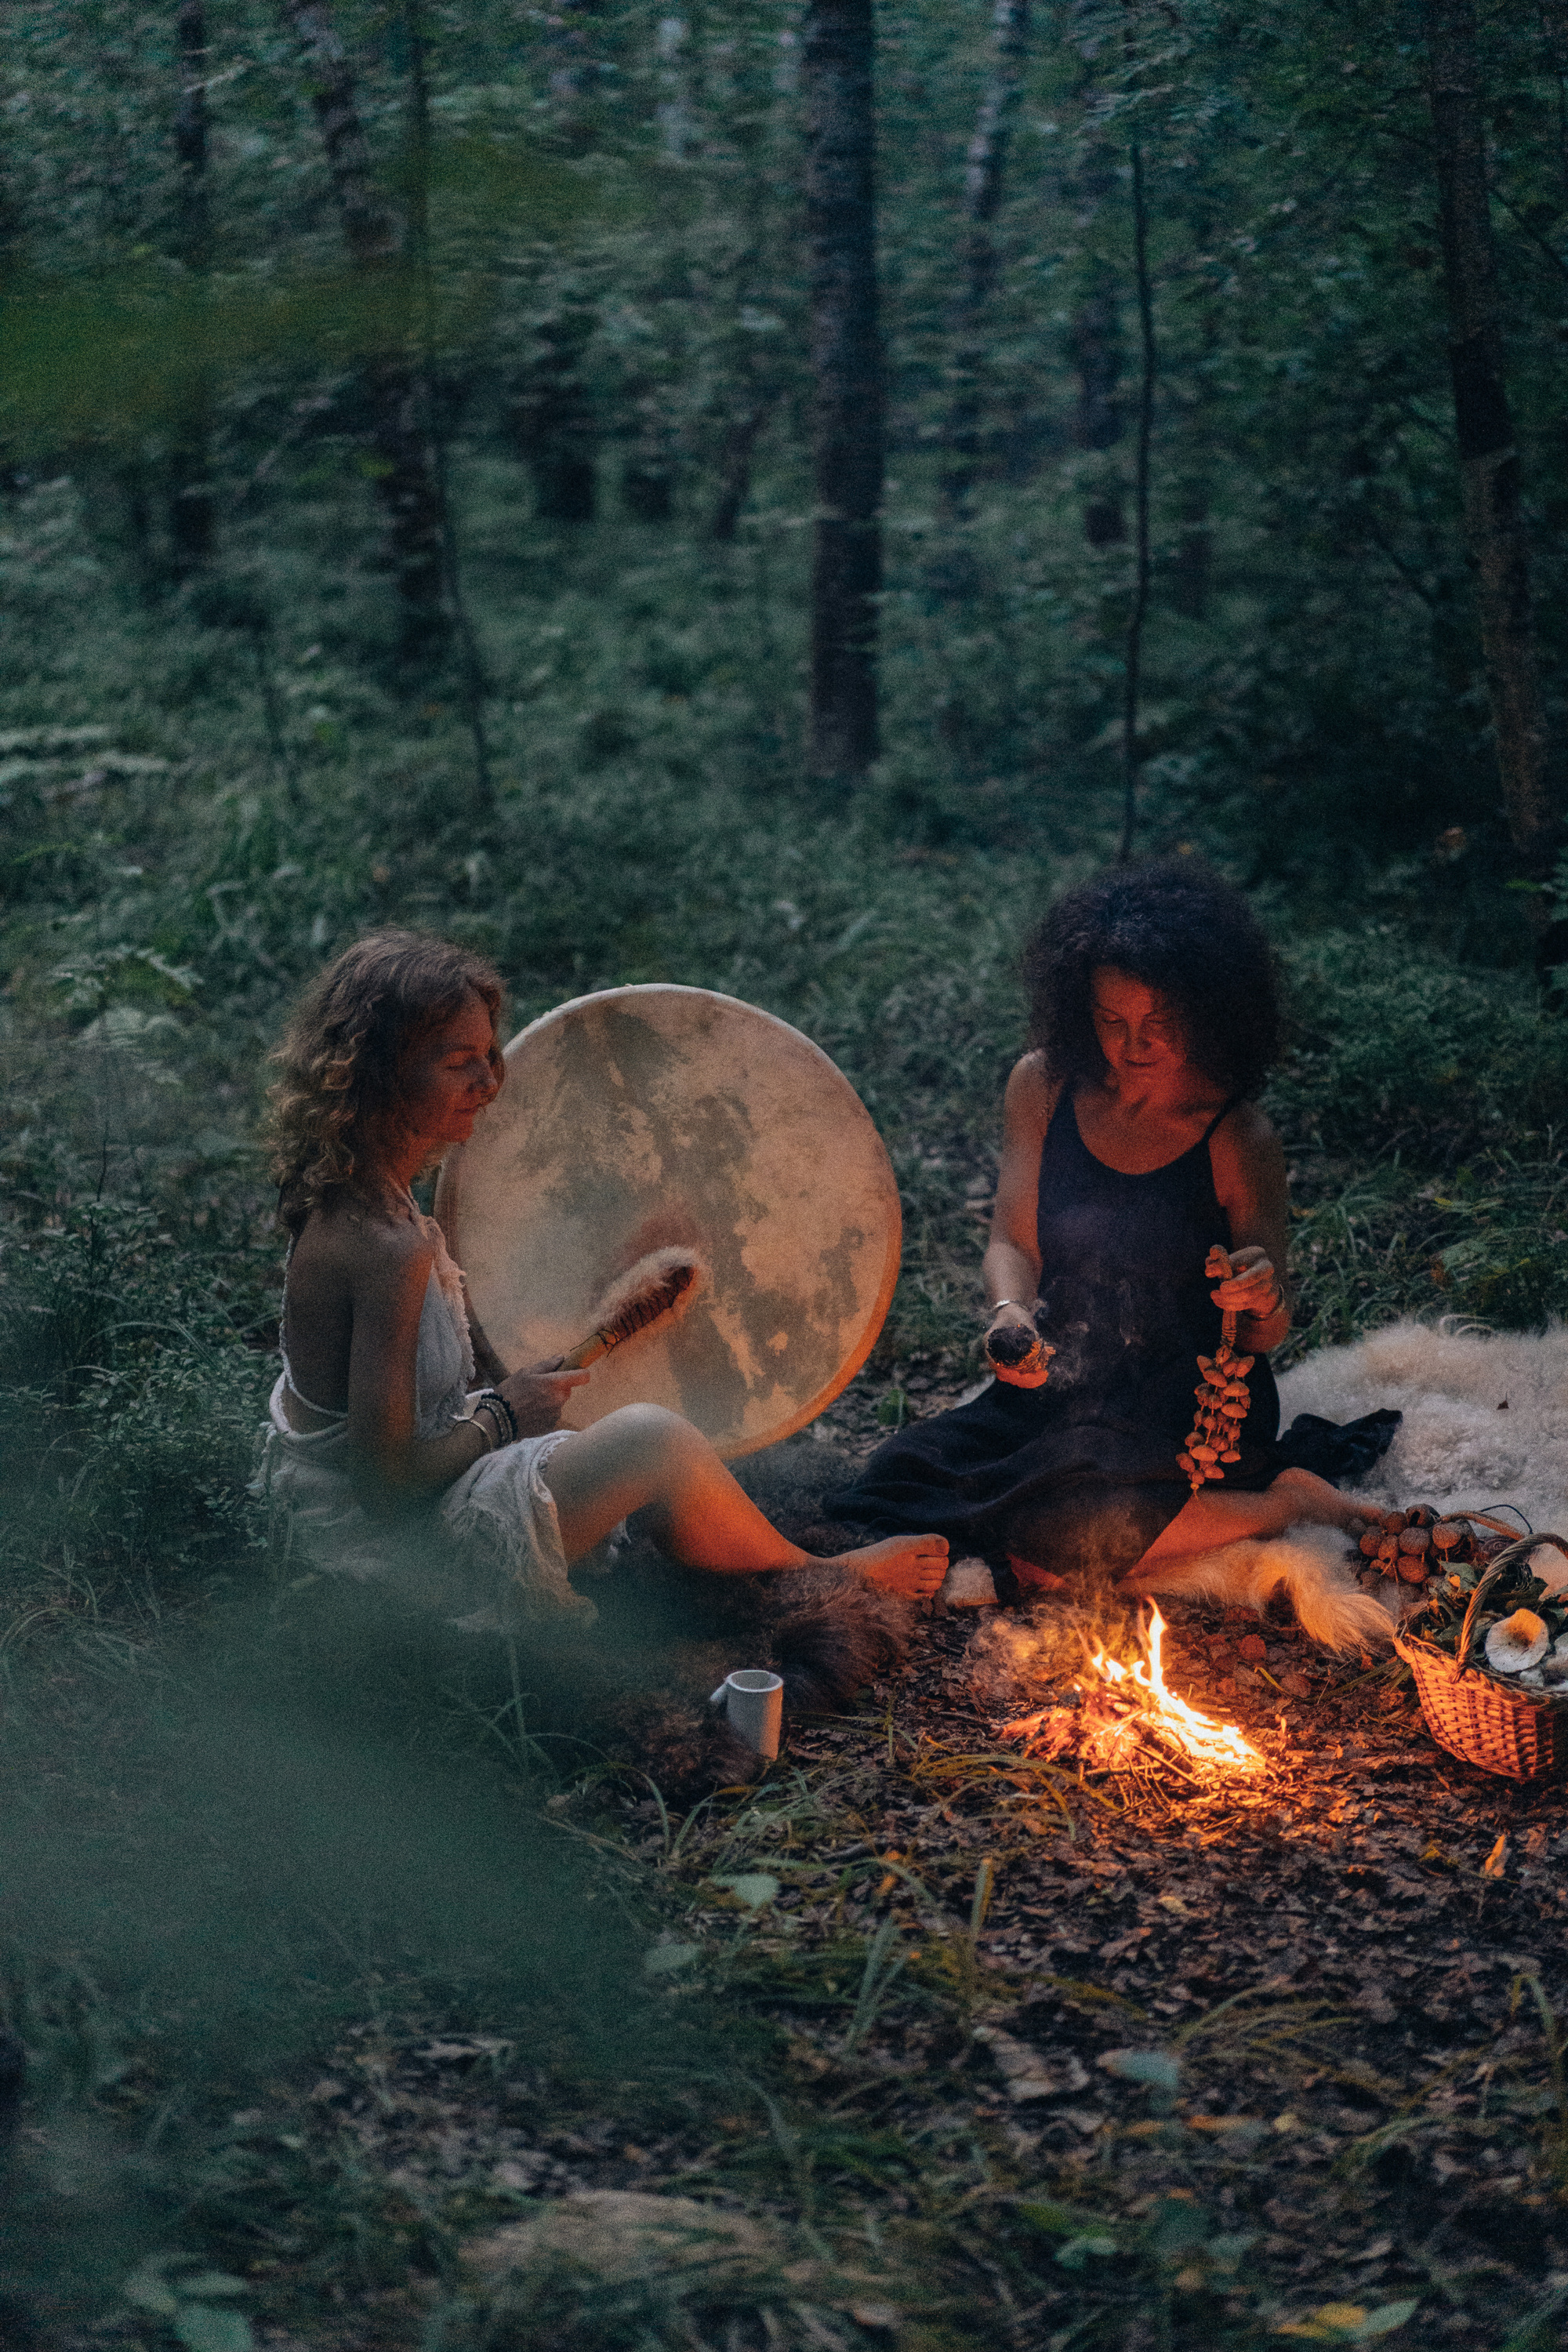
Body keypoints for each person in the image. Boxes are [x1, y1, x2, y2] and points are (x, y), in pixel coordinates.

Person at [255, 931, 947, 1629]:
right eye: (460, 1063)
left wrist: (500, 1403)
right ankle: (826, 1572)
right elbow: (385, 1488)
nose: (490, 1083)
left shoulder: (370, 1200)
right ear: (380, 1072)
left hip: (366, 1508)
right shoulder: (386, 1248)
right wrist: (504, 1413)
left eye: (491, 1054)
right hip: (390, 1549)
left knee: (637, 1456)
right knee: (654, 1438)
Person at [834, 860, 1399, 1595]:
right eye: (1111, 1022)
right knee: (895, 1480)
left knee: (1063, 1535)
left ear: (1208, 1011)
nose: (1133, 1046)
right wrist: (1011, 1317)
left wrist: (1258, 1297)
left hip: (1189, 1399)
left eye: (1159, 1024)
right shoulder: (1041, 1087)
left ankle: (1280, 1501)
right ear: (1080, 1009)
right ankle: (1137, 1503)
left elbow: (1268, 1330)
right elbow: (1012, 1241)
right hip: (1067, 1372)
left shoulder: (1235, 1135)